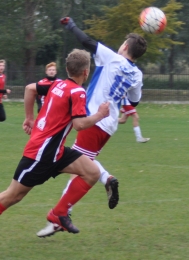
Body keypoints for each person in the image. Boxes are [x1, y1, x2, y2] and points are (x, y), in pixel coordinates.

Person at [36, 17, 147, 237]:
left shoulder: (112, 58)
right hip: (108, 124)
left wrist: (71, 26)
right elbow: (133, 102)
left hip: (93, 119)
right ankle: (65, 211)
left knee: (78, 169)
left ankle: (59, 215)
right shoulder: (137, 74)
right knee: (83, 165)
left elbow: (87, 41)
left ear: (125, 46)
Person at [0, 48, 110, 235]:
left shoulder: (57, 84)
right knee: (12, 196)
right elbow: (79, 125)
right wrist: (100, 115)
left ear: (67, 69)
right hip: (40, 154)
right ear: (86, 72)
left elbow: (29, 89)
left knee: (92, 172)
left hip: (55, 151)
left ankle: (59, 213)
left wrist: (29, 118)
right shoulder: (77, 91)